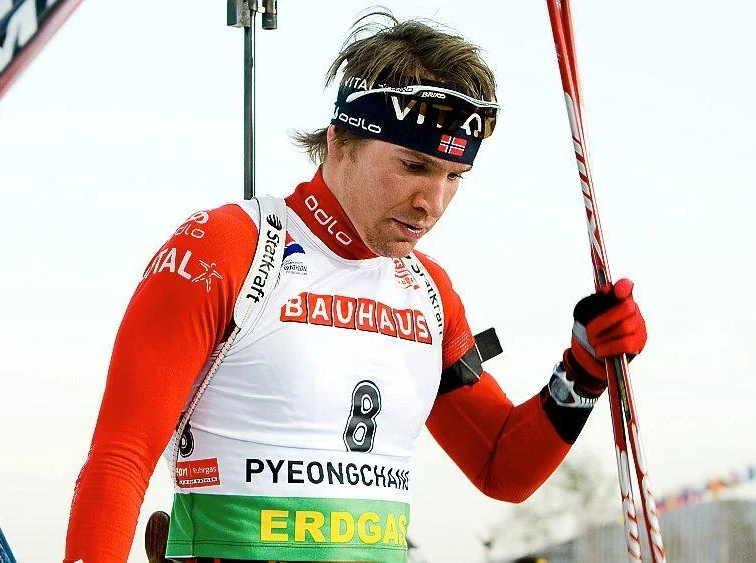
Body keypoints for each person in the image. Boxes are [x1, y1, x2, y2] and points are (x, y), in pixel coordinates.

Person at [64, 12, 647, 563]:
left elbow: (501, 468)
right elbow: (120, 458)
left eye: (454, 177)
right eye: (414, 166)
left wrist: (583, 368)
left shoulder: (427, 291)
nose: (432, 203)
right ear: (340, 143)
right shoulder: (227, 248)